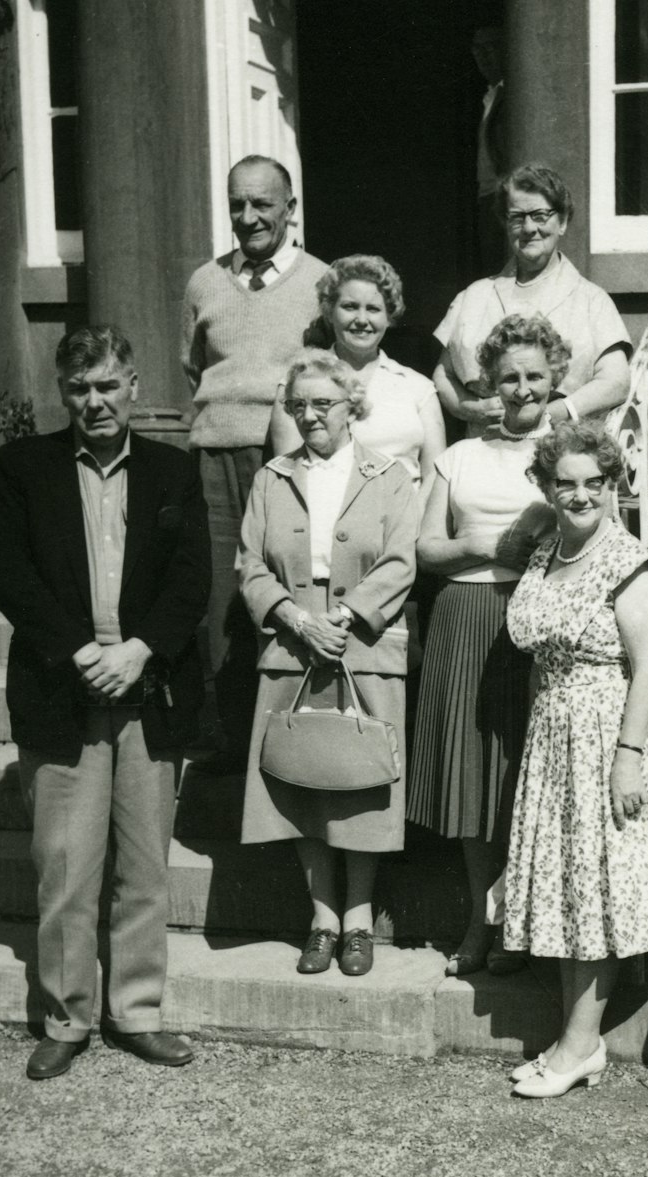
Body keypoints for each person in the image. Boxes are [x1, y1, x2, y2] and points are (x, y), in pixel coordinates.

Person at [0, 326, 211, 1080]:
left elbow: (191, 581)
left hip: (148, 690)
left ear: (135, 387)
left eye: (109, 385)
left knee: (144, 865)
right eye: (79, 388)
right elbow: (9, 575)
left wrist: (139, 649)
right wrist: (81, 651)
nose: (95, 401)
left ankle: (138, 1012)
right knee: (66, 864)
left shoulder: (173, 471)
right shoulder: (25, 466)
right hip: (63, 689)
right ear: (61, 392)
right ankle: (67, 1015)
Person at [501, 421, 648, 1097]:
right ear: (547, 487)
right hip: (553, 736)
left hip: (608, 732)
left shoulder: (627, 561)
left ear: (613, 486)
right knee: (565, 889)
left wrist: (628, 756)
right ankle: (572, 1039)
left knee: (596, 889)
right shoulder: (546, 551)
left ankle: (582, 1045)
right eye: (566, 482)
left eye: (594, 482)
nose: (580, 494)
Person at [238, 350, 418, 978]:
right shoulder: (271, 477)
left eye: (324, 404)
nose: (310, 415)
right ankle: (321, 917)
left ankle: (361, 918)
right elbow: (249, 565)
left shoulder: (390, 476)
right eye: (299, 405)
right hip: (292, 647)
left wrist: (342, 619)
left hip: (363, 648)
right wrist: (293, 617)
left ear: (352, 408)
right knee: (301, 780)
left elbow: (400, 561)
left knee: (362, 781)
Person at [407, 314, 564, 976]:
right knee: (474, 777)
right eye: (509, 378)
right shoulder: (458, 456)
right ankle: (481, 918)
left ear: (553, 378)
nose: (523, 389)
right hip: (466, 616)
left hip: (540, 619)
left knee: (529, 775)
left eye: (534, 375)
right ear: (489, 385)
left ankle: (526, 920)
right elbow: (424, 546)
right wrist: (475, 547)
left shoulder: (570, 451)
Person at [181, 155, 327, 771]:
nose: (248, 217)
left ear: (289, 209)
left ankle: (290, 744)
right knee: (218, 603)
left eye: (262, 204)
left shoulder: (322, 281)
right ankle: (228, 748)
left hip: (286, 457)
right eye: (237, 204)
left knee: (288, 592)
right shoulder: (204, 283)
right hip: (214, 457)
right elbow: (194, 366)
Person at [433, 163, 631, 437]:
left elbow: (616, 381)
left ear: (561, 222)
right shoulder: (475, 296)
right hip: (486, 444)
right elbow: (443, 375)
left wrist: (551, 413)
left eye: (540, 215)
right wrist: (473, 409)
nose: (528, 228)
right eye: (517, 217)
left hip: (559, 448)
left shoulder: (591, 300)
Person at [270, 254, 446, 493]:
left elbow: (434, 478)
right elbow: (289, 473)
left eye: (373, 309)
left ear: (389, 317)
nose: (362, 320)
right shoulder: (298, 383)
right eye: (350, 307)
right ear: (330, 312)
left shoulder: (418, 388)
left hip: (406, 524)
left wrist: (412, 527)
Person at [470, 24, 508, 276]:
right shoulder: (489, 96)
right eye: (477, 49)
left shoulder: (513, 95)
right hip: (486, 198)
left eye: (490, 47)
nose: (483, 55)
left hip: (502, 197)